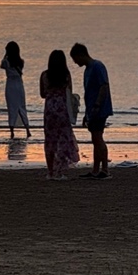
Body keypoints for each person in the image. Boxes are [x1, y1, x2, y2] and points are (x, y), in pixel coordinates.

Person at [70, 43, 112, 177]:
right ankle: (95, 170)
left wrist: (97, 105)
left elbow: (104, 86)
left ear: (81, 55)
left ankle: (105, 170)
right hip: (92, 109)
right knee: (95, 138)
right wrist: (87, 113)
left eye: (76, 58)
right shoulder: (88, 69)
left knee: (98, 138)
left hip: (99, 108)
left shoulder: (97, 66)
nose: (75, 62)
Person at [40, 49, 79, 178]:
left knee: (50, 140)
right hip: (62, 108)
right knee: (63, 139)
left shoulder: (45, 75)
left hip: (50, 109)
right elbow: (70, 92)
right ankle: (60, 171)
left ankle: (50, 171)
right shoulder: (66, 75)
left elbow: (42, 94)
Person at [0, 41, 30, 138]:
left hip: (11, 86)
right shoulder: (21, 62)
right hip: (20, 85)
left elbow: (1, 65)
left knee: (12, 108)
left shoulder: (6, 62)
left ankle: (12, 131)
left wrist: (6, 55)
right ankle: (27, 129)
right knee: (21, 106)